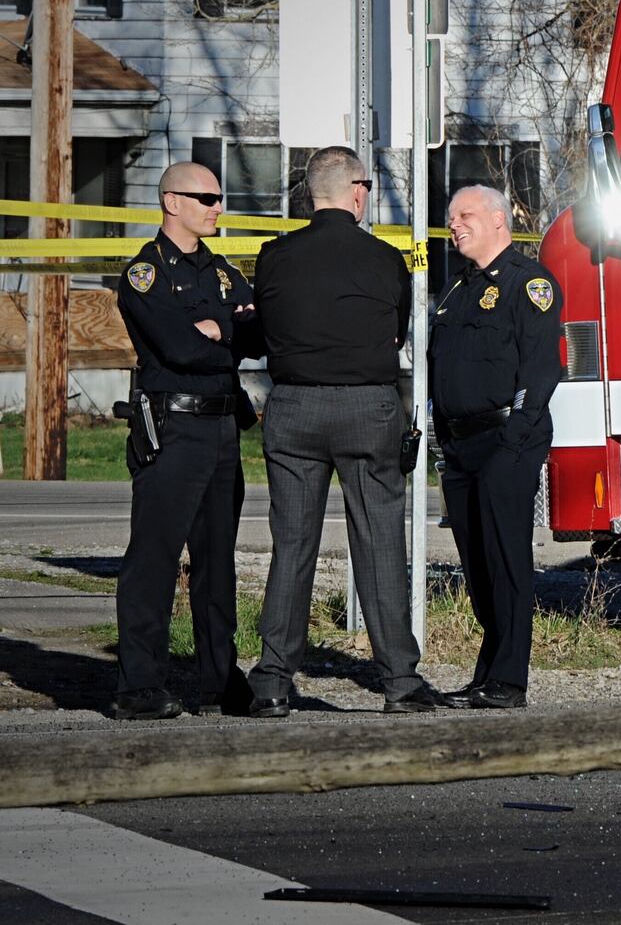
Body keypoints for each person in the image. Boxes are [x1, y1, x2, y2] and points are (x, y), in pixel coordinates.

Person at [247, 146, 436, 716]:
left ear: (311, 194)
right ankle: (400, 683)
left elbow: (267, 326)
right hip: (365, 408)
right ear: (357, 190)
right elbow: (397, 331)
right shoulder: (384, 259)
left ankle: (273, 681)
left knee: (293, 545)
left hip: (295, 408)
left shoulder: (273, 257)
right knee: (379, 545)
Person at [112, 161, 263, 719]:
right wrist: (232, 333)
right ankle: (138, 685)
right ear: (172, 201)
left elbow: (261, 331)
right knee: (153, 558)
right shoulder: (145, 273)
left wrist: (222, 328)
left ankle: (218, 680)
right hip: (173, 429)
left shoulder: (221, 272)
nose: (216, 206)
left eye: (219, 197)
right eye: (206, 197)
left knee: (217, 560)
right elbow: (178, 348)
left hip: (223, 427)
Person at [429, 185, 563, 709]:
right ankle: (488, 670)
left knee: (506, 560)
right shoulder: (456, 288)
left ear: (498, 220)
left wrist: (514, 439)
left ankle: (510, 680)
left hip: (506, 440)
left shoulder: (528, 284)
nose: (454, 224)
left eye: (464, 215)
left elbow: (540, 368)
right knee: (476, 562)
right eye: (451, 217)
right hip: (459, 446)